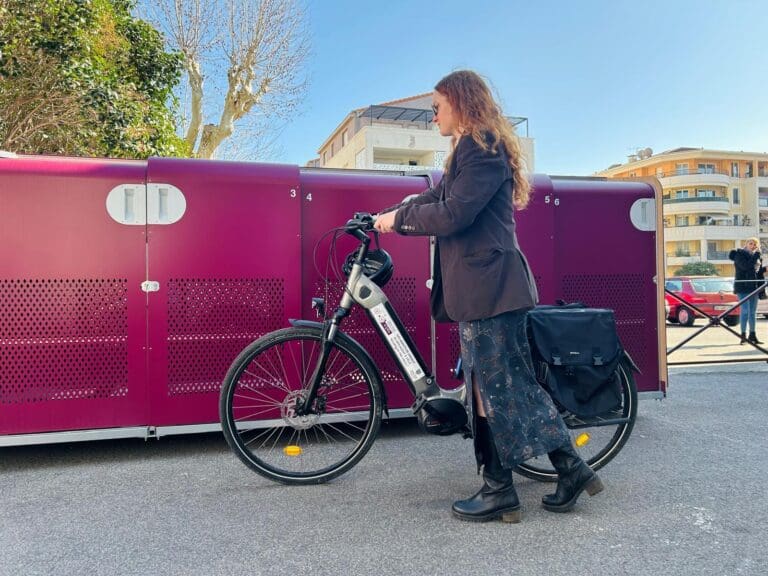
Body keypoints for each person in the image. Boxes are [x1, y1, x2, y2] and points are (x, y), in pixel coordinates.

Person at [374, 70, 602, 523]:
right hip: (484, 289)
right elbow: (437, 196)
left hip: (491, 289)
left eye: (437, 106)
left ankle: (511, 486)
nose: (433, 115)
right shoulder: (471, 148)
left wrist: (398, 223)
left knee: (501, 387)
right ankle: (551, 474)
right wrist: (393, 212)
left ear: (461, 102)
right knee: (492, 387)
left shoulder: (482, 147)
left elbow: (454, 213)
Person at [729, 237, 766, 345]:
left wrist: (764, 271)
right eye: (751, 243)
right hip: (743, 287)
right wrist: (756, 256)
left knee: (753, 313)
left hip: (754, 287)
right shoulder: (739, 254)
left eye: (755, 244)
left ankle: (752, 335)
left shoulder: (756, 257)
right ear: (746, 244)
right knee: (745, 311)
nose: (753, 246)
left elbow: (758, 273)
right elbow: (746, 267)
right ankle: (743, 336)